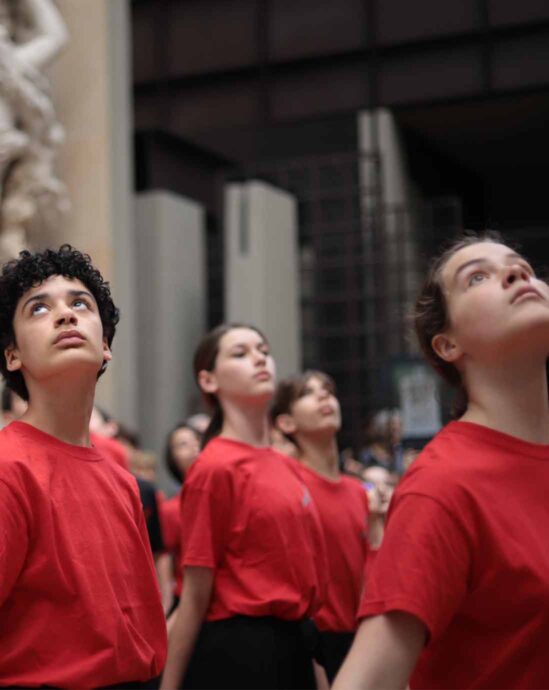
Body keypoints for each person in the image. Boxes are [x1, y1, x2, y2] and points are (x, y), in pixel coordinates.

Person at [334, 231, 549, 689]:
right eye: (477, 278)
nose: (519, 273)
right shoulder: (444, 485)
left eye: (524, 267)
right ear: (448, 345)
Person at [0, 245, 166, 688]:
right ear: (12, 355)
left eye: (80, 303)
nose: (66, 315)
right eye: (39, 308)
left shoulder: (122, 481)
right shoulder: (7, 468)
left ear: (106, 345)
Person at [160, 324, 327, 690]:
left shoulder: (285, 465)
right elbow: (195, 595)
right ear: (208, 380)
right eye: (240, 353)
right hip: (240, 652)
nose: (259, 359)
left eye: (263, 350)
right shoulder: (213, 467)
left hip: (296, 643)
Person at [270, 370, 372, 682]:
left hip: (365, 638)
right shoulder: (286, 485)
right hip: (314, 642)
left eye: (327, 389)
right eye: (308, 393)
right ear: (286, 423)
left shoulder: (359, 491)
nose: (324, 396)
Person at [160, 421, 201, 613]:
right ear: (172, 458)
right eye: (183, 444)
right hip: (187, 601)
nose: (195, 447)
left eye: (197, 440)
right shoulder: (171, 510)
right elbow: (164, 559)